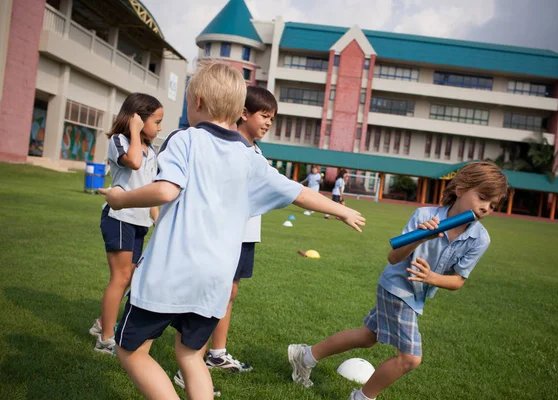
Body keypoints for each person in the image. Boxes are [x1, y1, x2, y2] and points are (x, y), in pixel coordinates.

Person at [98, 61, 366, 400]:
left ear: (196, 102)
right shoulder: (250, 157)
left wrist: (121, 200)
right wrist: (342, 210)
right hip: (215, 281)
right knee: (190, 354)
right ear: (239, 109)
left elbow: (166, 190)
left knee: (131, 350)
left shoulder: (186, 139)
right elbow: (299, 193)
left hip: (170, 272)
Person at [288, 161, 508, 400]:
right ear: (461, 189)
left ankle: (305, 356)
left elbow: (458, 281)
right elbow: (393, 257)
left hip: (416, 295)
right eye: (483, 197)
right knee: (410, 359)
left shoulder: (479, 239)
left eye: (493, 205)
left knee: (367, 337)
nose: (486, 208)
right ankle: (361, 398)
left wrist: (432, 278)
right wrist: (421, 237)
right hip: (396, 288)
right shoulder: (425, 215)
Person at [174, 87, 278, 386]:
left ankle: (215, 353)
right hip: (225, 237)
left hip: (245, 236)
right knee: (210, 295)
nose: (268, 123)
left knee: (229, 293)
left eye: (272, 118)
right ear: (243, 113)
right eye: (264, 115)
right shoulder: (230, 148)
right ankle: (189, 365)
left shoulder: (255, 151)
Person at [89, 93, 162, 355]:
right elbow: (133, 162)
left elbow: (150, 187)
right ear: (139, 120)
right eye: (156, 121)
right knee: (120, 277)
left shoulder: (150, 149)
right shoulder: (119, 141)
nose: (160, 127)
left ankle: (101, 323)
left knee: (129, 277)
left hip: (139, 221)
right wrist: (133, 131)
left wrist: (157, 220)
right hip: (119, 218)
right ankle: (106, 338)